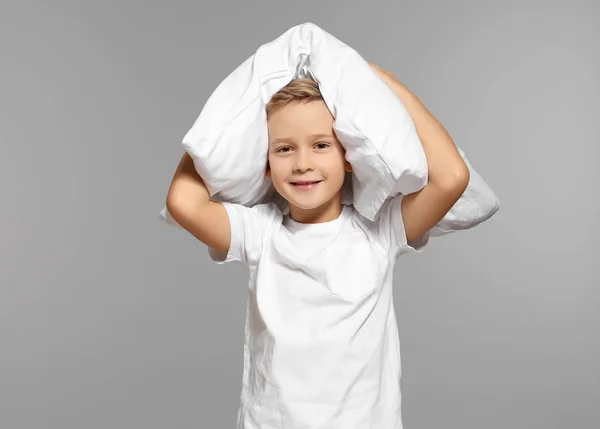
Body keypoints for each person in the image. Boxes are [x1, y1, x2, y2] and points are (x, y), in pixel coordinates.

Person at [165, 63, 470, 428]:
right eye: (284, 149)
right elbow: (183, 203)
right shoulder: (260, 234)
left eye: (321, 145)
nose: (302, 163)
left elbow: (452, 177)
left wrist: (372, 81)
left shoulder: (379, 231)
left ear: (350, 156)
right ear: (264, 164)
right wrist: (239, 101)